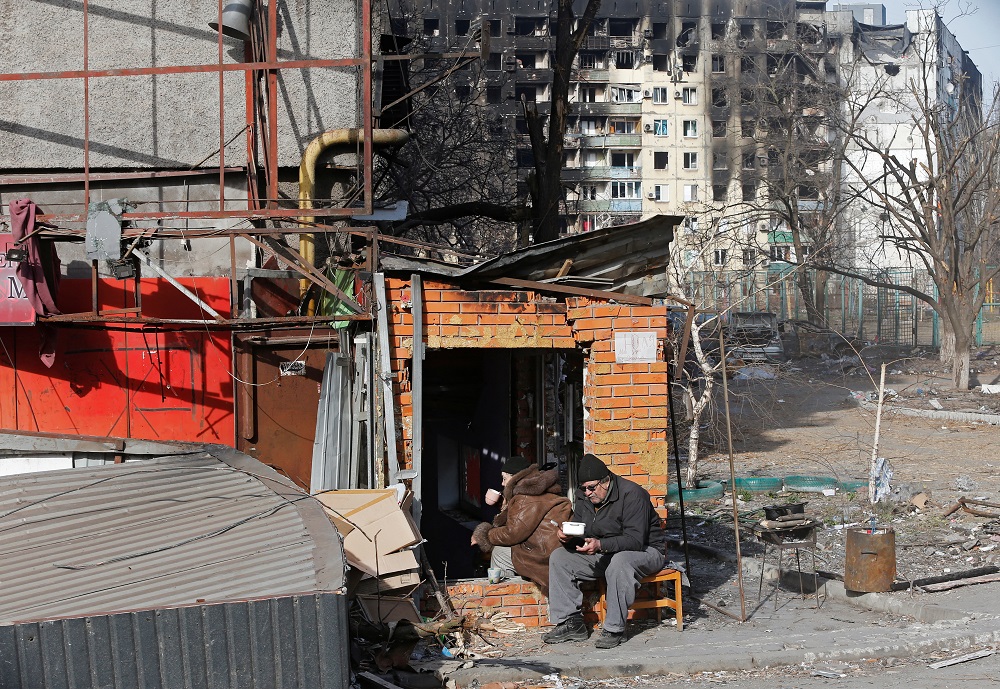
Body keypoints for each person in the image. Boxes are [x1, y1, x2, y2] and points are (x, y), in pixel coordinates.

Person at [542, 453, 667, 649]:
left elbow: (635, 540)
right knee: (560, 557)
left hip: (646, 551)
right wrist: (568, 536)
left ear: (606, 481)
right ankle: (571, 623)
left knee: (620, 561)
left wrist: (600, 545)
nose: (588, 493)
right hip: (605, 552)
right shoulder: (585, 497)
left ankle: (614, 628)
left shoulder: (632, 494)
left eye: (591, 488)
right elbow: (581, 528)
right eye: (583, 489)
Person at [471, 456, 572, 595]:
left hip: (542, 555)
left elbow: (511, 534)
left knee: (500, 552)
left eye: (504, 478)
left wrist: (484, 535)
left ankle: (508, 596)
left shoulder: (524, 498)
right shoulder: (542, 489)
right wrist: (505, 507)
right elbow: (526, 522)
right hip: (555, 549)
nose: (502, 483)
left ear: (514, 478)